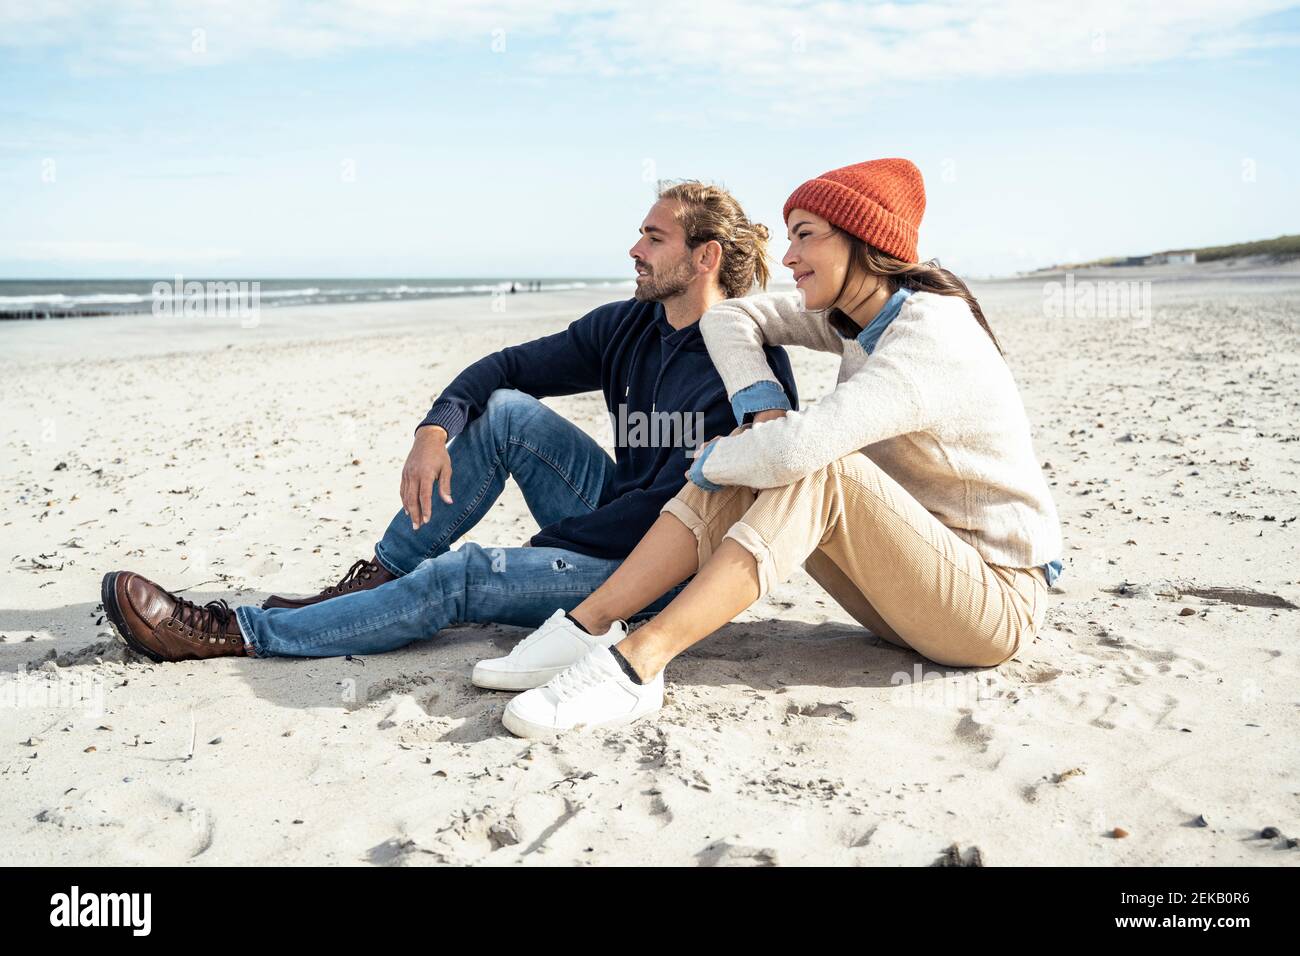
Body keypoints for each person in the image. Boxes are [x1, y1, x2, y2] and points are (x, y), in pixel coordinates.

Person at [100, 181, 798, 673]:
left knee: (463, 577)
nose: (634, 249)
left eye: (654, 236)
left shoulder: (749, 363)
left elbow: (718, 508)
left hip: (657, 578)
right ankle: (385, 574)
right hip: (616, 520)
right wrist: (432, 433)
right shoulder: (629, 325)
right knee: (509, 416)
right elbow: (504, 366)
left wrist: (556, 545)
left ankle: (233, 633)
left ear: (704, 258)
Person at [492, 158, 1065, 739]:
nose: (788, 257)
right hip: (903, 593)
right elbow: (732, 316)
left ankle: (637, 665)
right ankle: (588, 626)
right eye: (789, 236)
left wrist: (721, 454)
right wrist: (759, 407)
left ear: (864, 243)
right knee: (765, 449)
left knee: (814, 465)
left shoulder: (929, 335)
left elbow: (797, 453)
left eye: (807, 236)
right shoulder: (857, 317)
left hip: (988, 607)